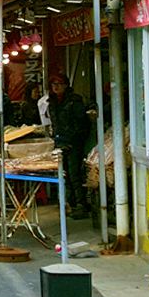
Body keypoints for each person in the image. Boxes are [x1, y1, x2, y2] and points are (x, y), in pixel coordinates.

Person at [45, 73, 94, 219]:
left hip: (74, 143)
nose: (56, 87)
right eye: (53, 84)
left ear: (66, 85)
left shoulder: (74, 101)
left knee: (75, 174)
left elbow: (81, 124)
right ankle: (70, 203)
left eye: (59, 84)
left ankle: (81, 204)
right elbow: (55, 124)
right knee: (64, 174)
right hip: (60, 142)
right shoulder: (52, 102)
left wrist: (72, 141)